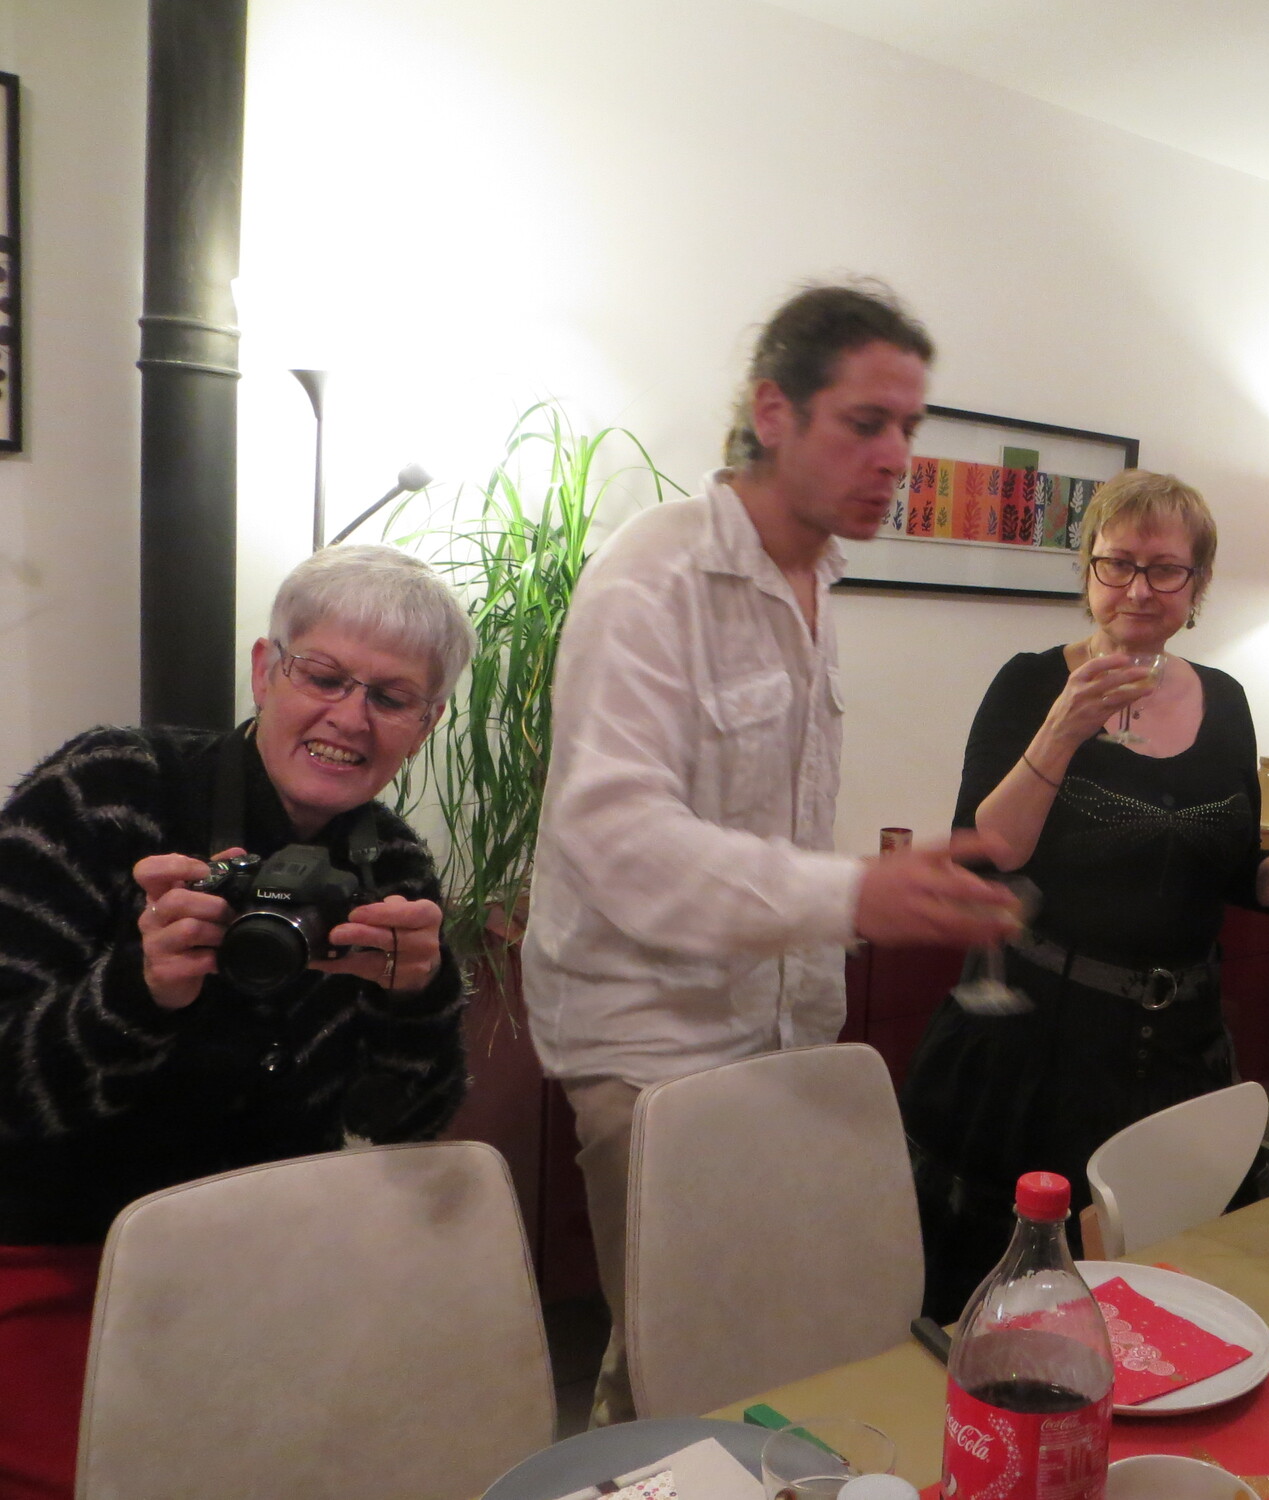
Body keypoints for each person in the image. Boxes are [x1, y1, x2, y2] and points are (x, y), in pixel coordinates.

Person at [523, 281, 1019, 1425]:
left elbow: (761, 819)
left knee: (747, 1340)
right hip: (649, 1047)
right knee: (678, 1369)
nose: (896, 457)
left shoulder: (817, 578)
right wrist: (854, 895)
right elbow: (617, 839)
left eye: (908, 428)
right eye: (865, 423)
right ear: (773, 412)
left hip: (776, 1031)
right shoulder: (651, 579)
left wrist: (846, 916)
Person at [0, 544, 473, 1500]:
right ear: (265, 671)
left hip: (266, 1269)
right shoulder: (109, 790)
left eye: (391, 697)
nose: (350, 717)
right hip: (59, 1264)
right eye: (323, 676)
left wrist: (418, 998)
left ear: (424, 726)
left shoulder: (390, 866)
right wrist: (139, 992)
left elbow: (404, 1126)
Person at [900, 470, 1269, 1319]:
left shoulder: (1225, 701)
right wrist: (1063, 726)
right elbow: (990, 850)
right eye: (1117, 564)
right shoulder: (1030, 684)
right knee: (1010, 1304)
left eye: (1165, 569)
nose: (1138, 588)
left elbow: (1239, 876)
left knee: (1171, 1298)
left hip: (1179, 1052)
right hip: (1038, 1050)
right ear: (1088, 570)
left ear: (1197, 585)